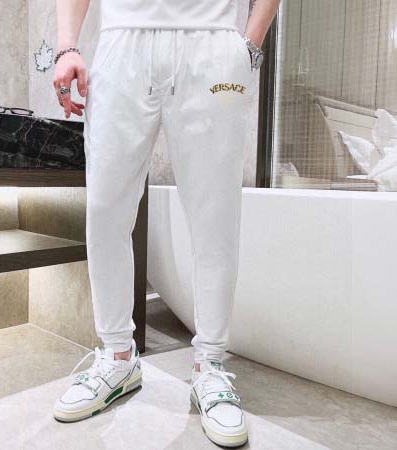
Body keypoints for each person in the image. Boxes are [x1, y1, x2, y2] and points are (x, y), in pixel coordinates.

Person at [52, 0, 280, 446]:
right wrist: (66, 45)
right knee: (105, 210)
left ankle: (210, 364)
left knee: (215, 214)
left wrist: (249, 45)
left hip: (212, 43)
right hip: (121, 41)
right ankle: (117, 357)